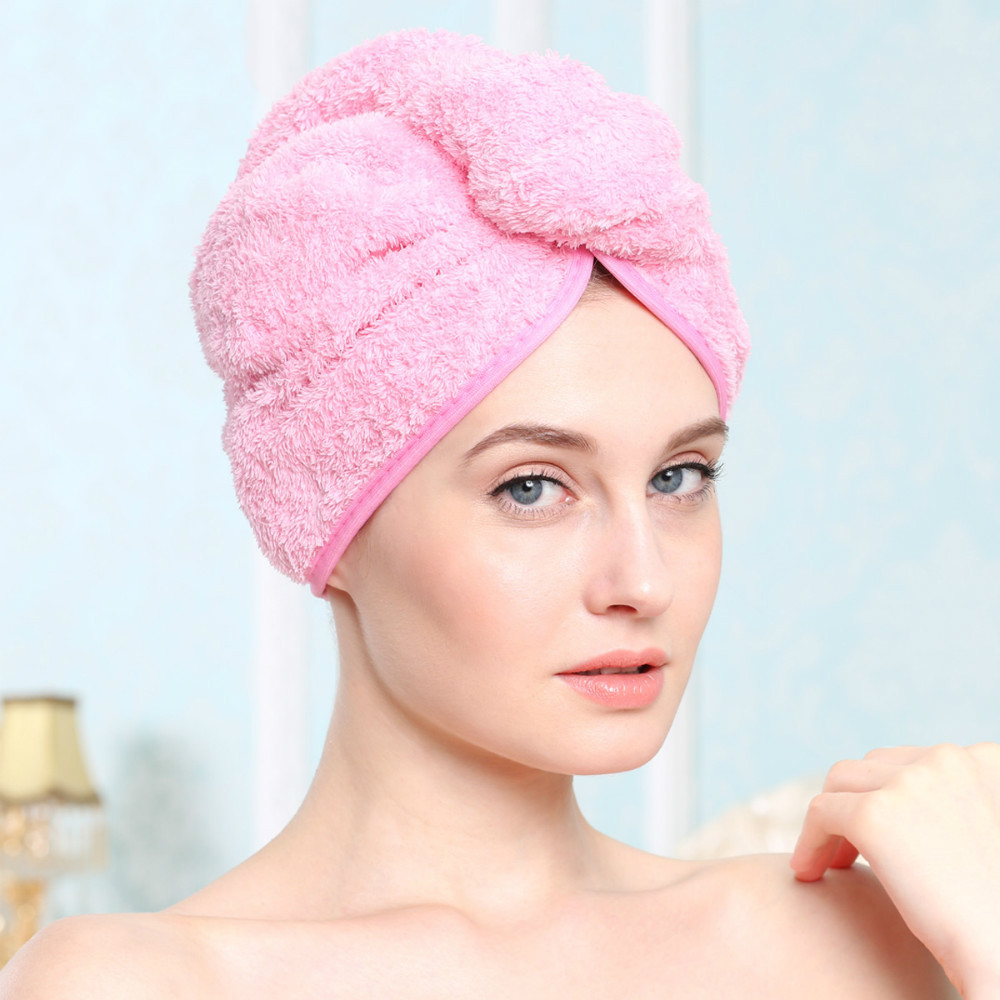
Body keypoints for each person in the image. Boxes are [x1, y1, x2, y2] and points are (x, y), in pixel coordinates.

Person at [3, 28, 997, 999]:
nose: (642, 581)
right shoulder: (138, 982)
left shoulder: (851, 941)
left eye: (679, 477)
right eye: (531, 487)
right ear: (331, 524)